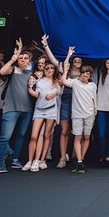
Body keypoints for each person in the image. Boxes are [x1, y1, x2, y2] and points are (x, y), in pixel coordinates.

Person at [41, 35, 80, 168]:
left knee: (77, 130)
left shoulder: (84, 73)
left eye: (79, 60)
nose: (77, 62)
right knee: (64, 130)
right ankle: (63, 158)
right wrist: (46, 46)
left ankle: (75, 157)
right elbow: (52, 59)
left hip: (79, 102)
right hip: (66, 100)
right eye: (75, 60)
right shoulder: (64, 69)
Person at [0, 40, 34, 173]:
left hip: (27, 109)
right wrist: (13, 59)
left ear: (30, 60)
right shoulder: (13, 69)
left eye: (26, 58)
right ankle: (1, 164)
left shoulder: (32, 72)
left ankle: (15, 160)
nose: (23, 60)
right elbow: (2, 71)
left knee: (20, 136)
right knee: (5, 136)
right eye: (21, 58)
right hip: (11, 108)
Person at [61, 52, 97, 174]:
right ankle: (80, 161)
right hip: (77, 114)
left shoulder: (93, 85)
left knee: (86, 137)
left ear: (90, 75)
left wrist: (95, 109)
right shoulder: (75, 82)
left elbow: (94, 99)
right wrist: (65, 70)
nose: (85, 75)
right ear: (80, 74)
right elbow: (63, 81)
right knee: (77, 136)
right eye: (83, 73)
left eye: (88, 74)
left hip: (89, 114)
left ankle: (81, 158)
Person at [24, 62, 62, 172]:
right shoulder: (38, 81)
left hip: (51, 110)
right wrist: (30, 90)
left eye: (51, 68)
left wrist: (54, 92)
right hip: (39, 110)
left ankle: (41, 160)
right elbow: (36, 93)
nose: (50, 70)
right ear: (43, 69)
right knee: (34, 136)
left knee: (47, 135)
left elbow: (59, 91)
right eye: (47, 68)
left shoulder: (57, 82)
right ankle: (30, 160)